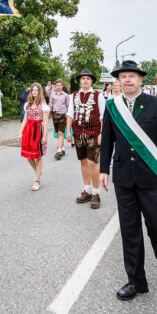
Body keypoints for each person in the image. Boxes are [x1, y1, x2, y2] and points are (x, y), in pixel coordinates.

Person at [100, 60, 157, 301]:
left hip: (152, 178)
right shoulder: (112, 106)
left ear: (140, 80)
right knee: (130, 232)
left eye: (132, 76)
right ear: (119, 81)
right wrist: (103, 170)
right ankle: (136, 281)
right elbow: (107, 139)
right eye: (123, 76)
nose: (127, 80)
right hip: (124, 179)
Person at [66, 69, 105, 209]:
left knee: (92, 162)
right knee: (83, 161)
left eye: (88, 78)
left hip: (93, 132)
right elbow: (70, 113)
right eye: (83, 78)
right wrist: (68, 131)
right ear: (80, 81)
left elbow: (103, 115)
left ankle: (96, 193)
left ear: (92, 81)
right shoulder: (73, 95)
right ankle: (87, 190)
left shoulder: (98, 95)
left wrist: (101, 133)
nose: (85, 80)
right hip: (78, 132)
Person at [19, 83, 49, 191]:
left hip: (39, 130)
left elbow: (45, 121)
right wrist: (20, 132)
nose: (34, 92)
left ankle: (37, 181)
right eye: (33, 90)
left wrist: (44, 136)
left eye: (36, 90)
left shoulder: (43, 104)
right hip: (29, 130)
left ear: (39, 91)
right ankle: (38, 171)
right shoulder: (28, 104)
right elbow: (25, 119)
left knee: (38, 156)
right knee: (28, 156)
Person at [49, 79, 69, 159]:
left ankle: (59, 150)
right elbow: (50, 105)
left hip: (63, 115)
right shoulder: (52, 95)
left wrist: (69, 116)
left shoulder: (65, 95)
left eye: (60, 85)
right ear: (55, 86)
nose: (58, 87)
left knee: (61, 133)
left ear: (62, 86)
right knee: (58, 133)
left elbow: (68, 106)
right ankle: (62, 149)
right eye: (57, 85)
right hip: (55, 115)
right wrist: (47, 115)